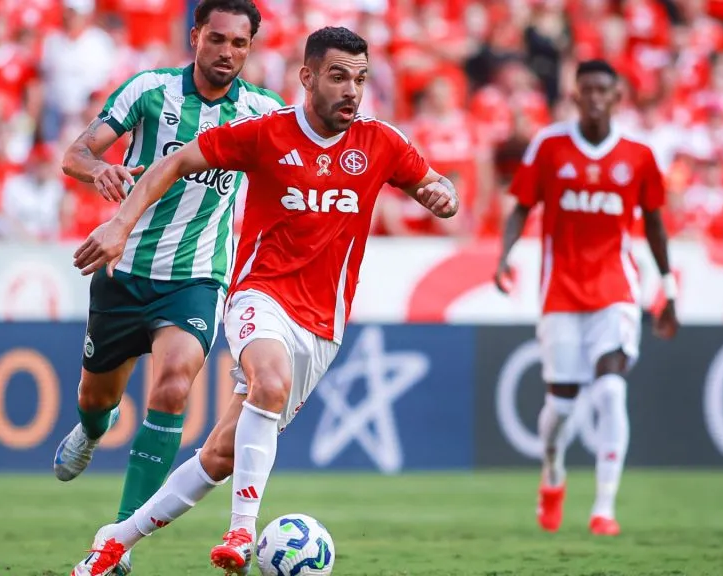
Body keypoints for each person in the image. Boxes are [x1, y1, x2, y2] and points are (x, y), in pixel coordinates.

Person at [68, 26, 458, 576]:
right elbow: (174, 162)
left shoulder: (381, 142)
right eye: (338, 76)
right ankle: (242, 531)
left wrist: (443, 196)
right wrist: (120, 225)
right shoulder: (265, 133)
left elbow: (437, 185)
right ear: (307, 77)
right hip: (260, 294)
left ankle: (116, 539)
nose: (351, 90)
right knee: (268, 383)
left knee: (220, 456)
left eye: (361, 79)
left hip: (322, 326)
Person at [53, 1, 284, 574]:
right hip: (123, 268)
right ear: (196, 36)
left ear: (250, 48)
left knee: (175, 384)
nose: (227, 52)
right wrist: (100, 170)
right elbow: (75, 153)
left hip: (197, 277)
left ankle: (119, 541)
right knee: (96, 399)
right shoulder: (149, 90)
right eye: (217, 39)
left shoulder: (262, 112)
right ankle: (92, 429)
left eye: (239, 43)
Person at [494, 59, 680, 537]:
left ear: (616, 97)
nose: (595, 98)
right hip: (560, 292)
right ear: (575, 95)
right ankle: (552, 471)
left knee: (612, 390)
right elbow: (521, 207)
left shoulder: (638, 155)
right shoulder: (549, 146)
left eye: (604, 90)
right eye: (587, 90)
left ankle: (604, 507)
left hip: (616, 289)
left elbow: (655, 225)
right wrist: (505, 256)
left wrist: (669, 288)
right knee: (561, 407)